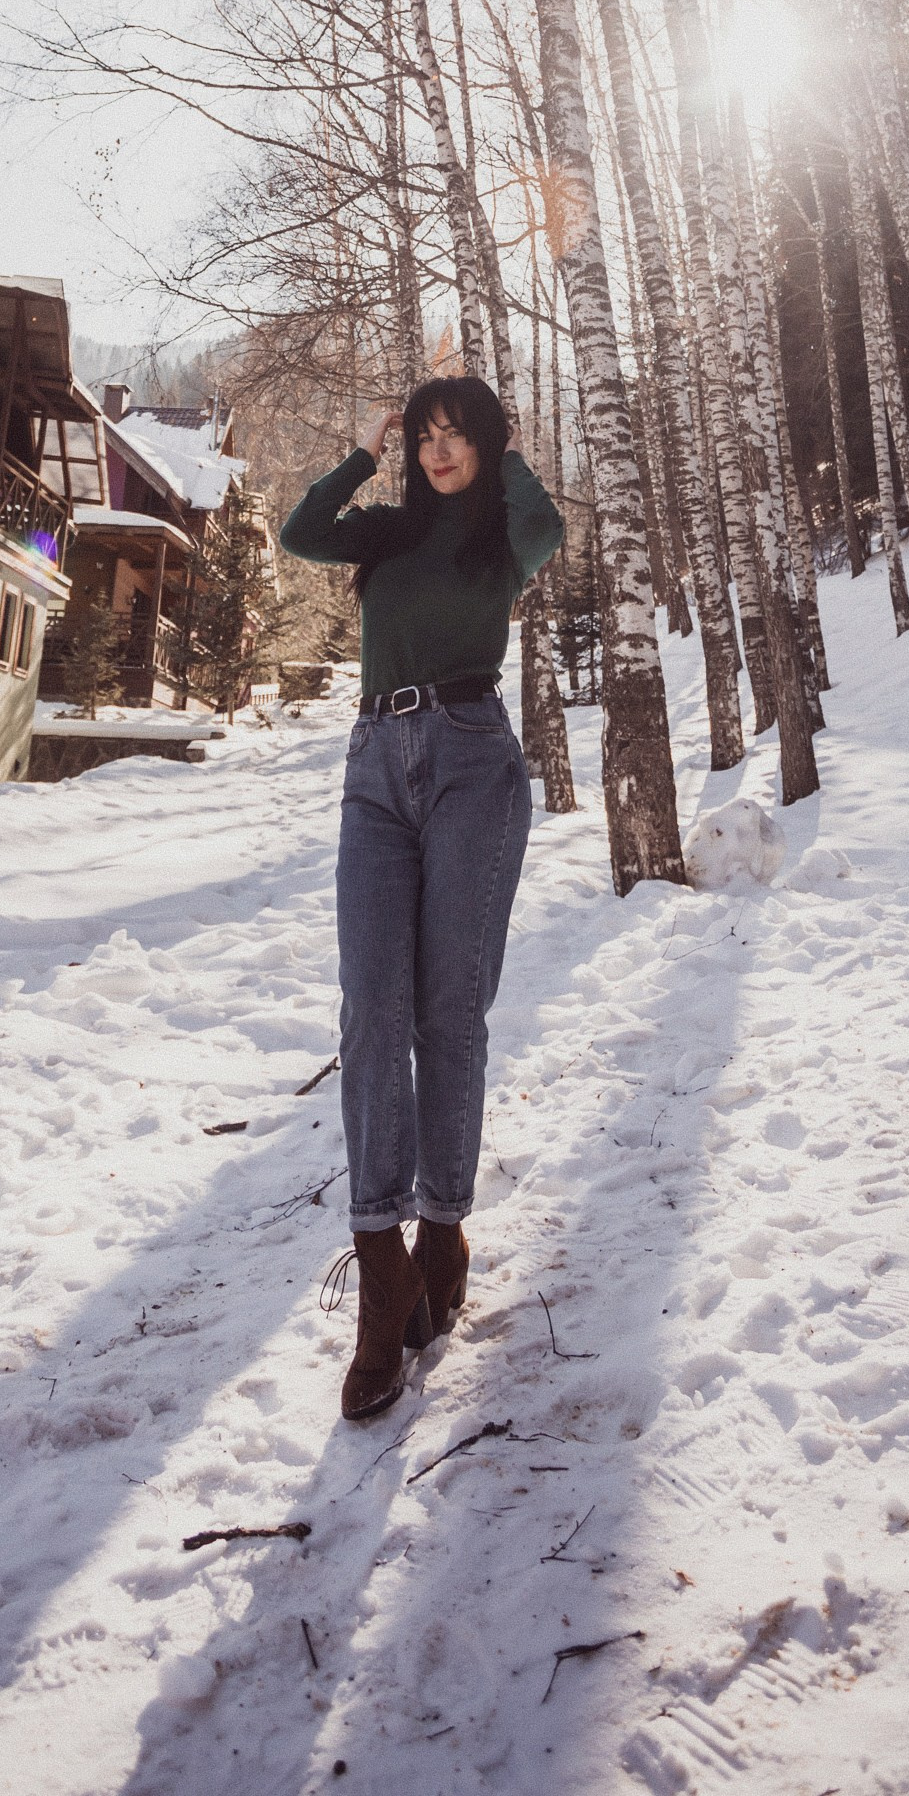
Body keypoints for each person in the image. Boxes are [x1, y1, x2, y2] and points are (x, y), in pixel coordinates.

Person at [279, 375, 566, 1420]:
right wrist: (365, 451)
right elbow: (301, 533)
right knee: (370, 1009)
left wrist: (511, 449)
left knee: (450, 1014)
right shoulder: (389, 530)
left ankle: (442, 1227)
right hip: (374, 765)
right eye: (426, 436)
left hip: (470, 760)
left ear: (484, 443)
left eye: (457, 435)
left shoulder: (501, 537)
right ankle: (380, 1262)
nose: (438, 451)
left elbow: (547, 524)